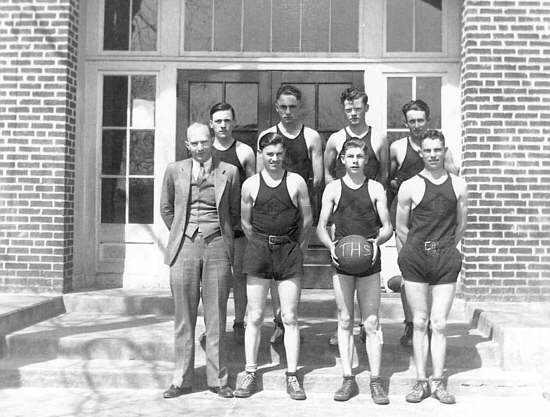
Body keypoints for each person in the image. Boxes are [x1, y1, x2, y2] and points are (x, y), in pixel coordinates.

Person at [159, 123, 240, 399]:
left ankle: (218, 380)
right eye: (194, 143)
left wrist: (218, 236)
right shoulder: (174, 170)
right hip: (184, 246)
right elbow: (166, 209)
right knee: (184, 316)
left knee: (216, 315)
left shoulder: (229, 171)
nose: (200, 148)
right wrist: (183, 231)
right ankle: (181, 379)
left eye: (204, 142)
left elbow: (233, 210)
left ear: (212, 141)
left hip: (217, 243)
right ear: (187, 144)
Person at [235, 132, 312, 400]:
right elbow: (245, 223)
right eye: (269, 154)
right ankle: (250, 372)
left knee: (289, 316)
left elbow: (307, 220)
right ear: (261, 155)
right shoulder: (250, 185)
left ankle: (292, 375)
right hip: (258, 250)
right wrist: (262, 244)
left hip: (288, 250)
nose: (275, 159)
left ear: (284, 155)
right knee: (254, 316)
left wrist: (293, 248)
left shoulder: (296, 182)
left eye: (279, 154)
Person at [317, 138, 393, 404]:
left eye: (360, 156)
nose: (355, 161)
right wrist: (332, 247)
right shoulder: (333, 189)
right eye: (350, 156)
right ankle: (347, 378)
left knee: (371, 321)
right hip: (342, 261)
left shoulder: (375, 188)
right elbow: (320, 227)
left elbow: (387, 227)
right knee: (345, 319)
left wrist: (376, 242)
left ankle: (375, 380)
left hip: (369, 260)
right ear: (342, 160)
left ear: (366, 159)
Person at [396, 130, 467, 404]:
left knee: (439, 323)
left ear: (444, 150)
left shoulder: (459, 185)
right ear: (421, 153)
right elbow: (401, 227)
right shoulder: (409, 186)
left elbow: (461, 225)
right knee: (420, 322)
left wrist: (444, 247)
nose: (433, 155)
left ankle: (438, 381)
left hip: (445, 259)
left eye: (438, 150)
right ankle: (420, 381)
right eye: (428, 150)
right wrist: (414, 250)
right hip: (416, 258)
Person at [388, 100, 459, 347]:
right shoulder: (397, 147)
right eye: (412, 121)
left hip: (435, 221)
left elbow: (454, 183)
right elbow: (387, 180)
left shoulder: (441, 149)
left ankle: (428, 322)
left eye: (421, 120)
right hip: (406, 216)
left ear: (427, 121)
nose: (417, 125)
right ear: (404, 123)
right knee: (410, 273)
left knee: (435, 274)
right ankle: (411, 324)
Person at [257, 84, 323, 345]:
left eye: (292, 107)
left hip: (298, 207)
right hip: (272, 209)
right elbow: (259, 175)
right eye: (282, 107)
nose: (287, 112)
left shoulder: (312, 136)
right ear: (276, 107)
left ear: (300, 107)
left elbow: (317, 178)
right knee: (274, 266)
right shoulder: (267, 135)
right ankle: (279, 321)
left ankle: (290, 316)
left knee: (294, 266)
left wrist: (303, 207)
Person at [323, 87, 389, 346]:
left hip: (369, 208)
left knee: (365, 266)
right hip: (343, 212)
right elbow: (326, 173)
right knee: (343, 269)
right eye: (348, 109)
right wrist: (338, 195)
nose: (353, 113)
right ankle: (345, 329)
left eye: (357, 108)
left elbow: (384, 173)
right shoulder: (337, 139)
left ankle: (365, 326)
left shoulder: (379, 139)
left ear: (366, 108)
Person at [210, 102, 256, 344]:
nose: (223, 125)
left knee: (239, 275)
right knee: (213, 278)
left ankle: (239, 321)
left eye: (227, 120)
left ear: (234, 123)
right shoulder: (204, 150)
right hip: (212, 226)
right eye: (218, 121)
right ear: (211, 124)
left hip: (237, 224)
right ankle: (214, 325)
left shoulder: (245, 152)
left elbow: (254, 189)